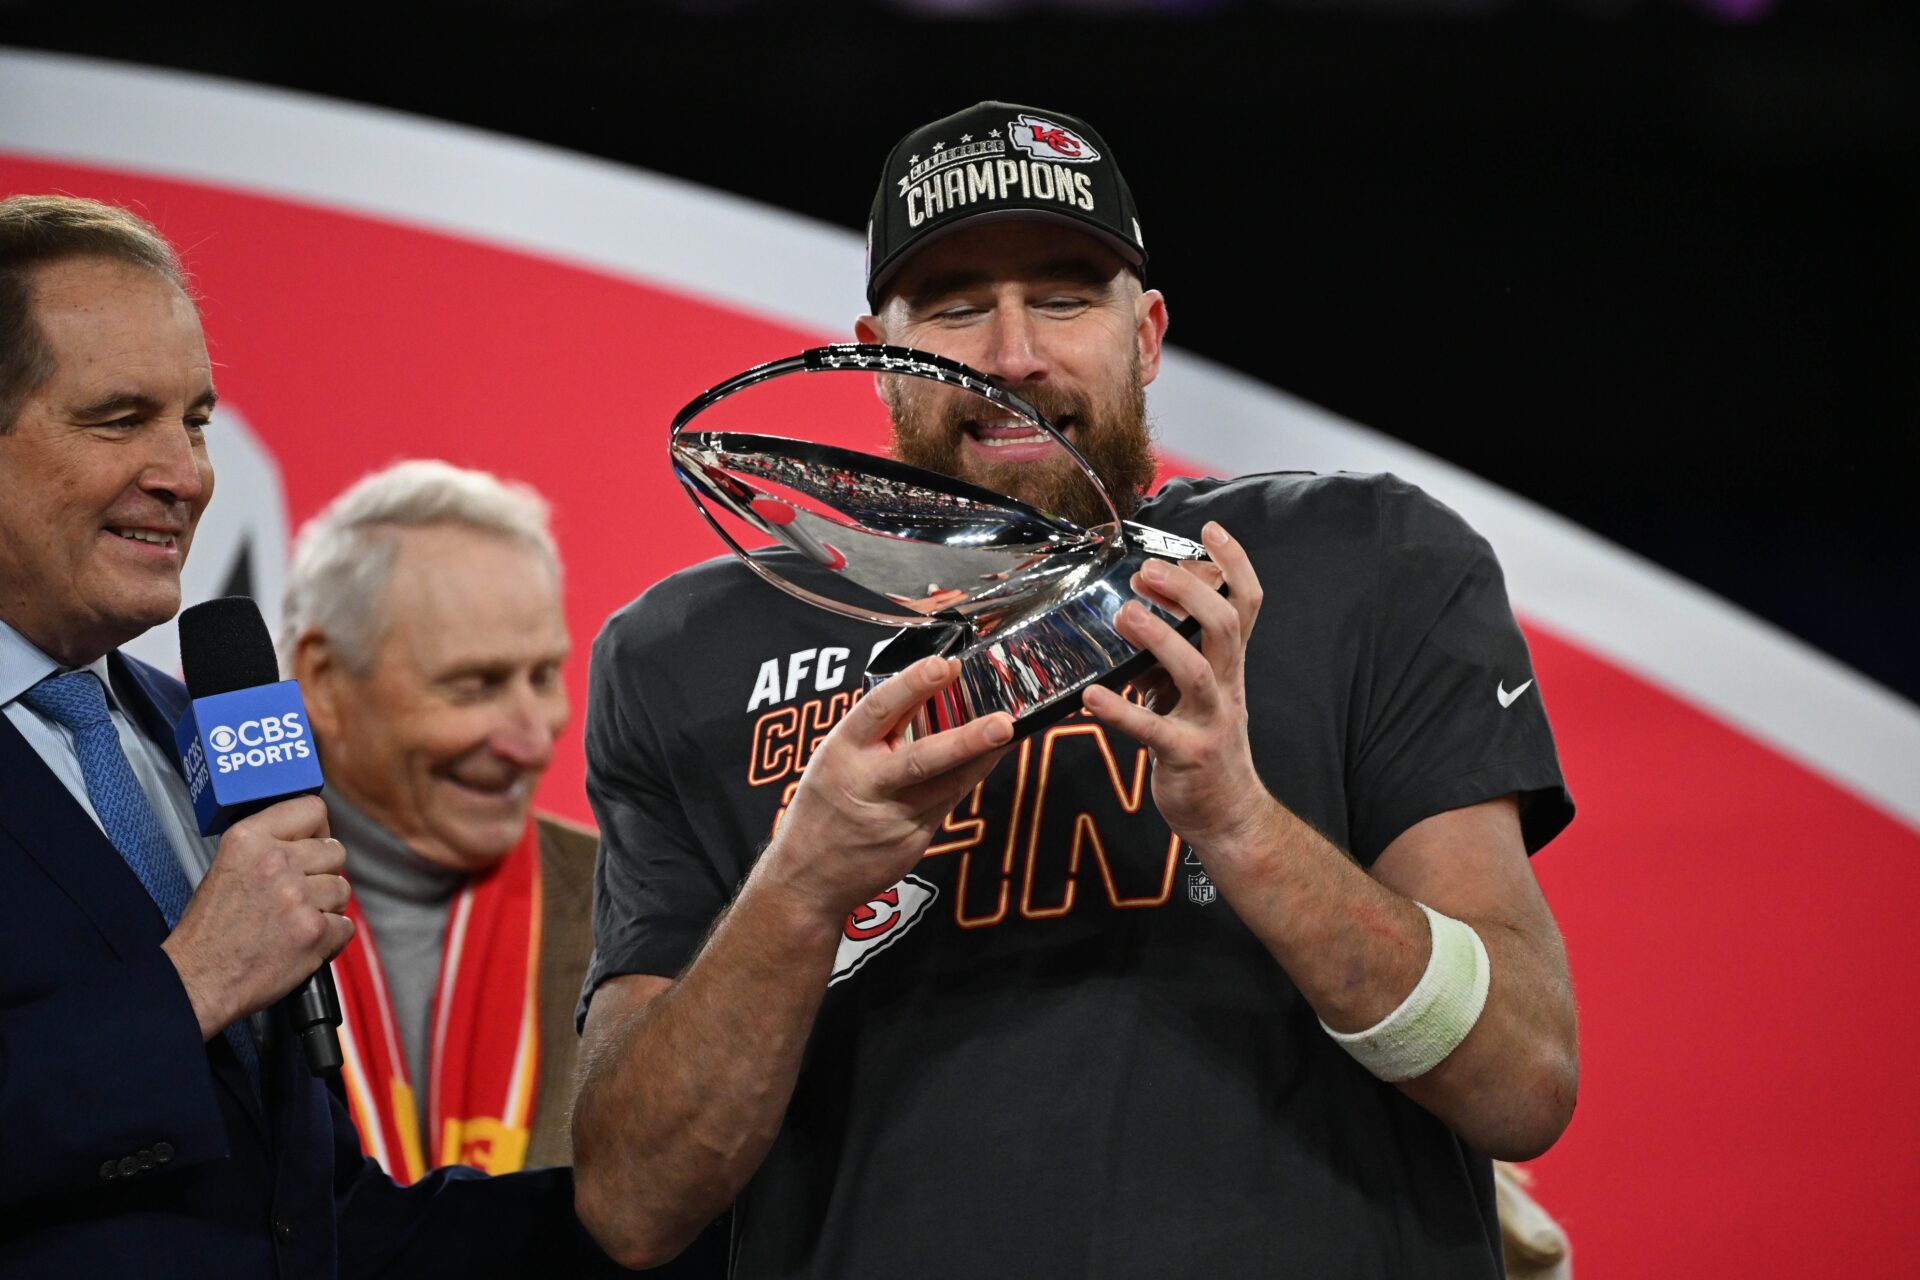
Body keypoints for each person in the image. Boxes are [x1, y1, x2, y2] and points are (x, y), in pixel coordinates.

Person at [570, 102, 1580, 1278]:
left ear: (1145, 333)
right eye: (952, 306)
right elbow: (631, 1201)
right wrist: (804, 881)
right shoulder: (681, 652)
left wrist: (1243, 824)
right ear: (872, 348)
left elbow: (1523, 1077)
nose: (1011, 355)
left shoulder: (1368, 558)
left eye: (1063, 296)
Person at [0, 194, 624, 1277]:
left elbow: (321, 1222)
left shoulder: (194, 725)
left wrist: (662, 1206)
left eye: (193, 419)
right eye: (118, 417)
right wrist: (191, 981)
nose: (187, 473)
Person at [278, 460, 586, 1178]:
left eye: (543, 676)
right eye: (475, 685)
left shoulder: (638, 904)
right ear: (323, 680)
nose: (534, 737)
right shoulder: (203, 902)